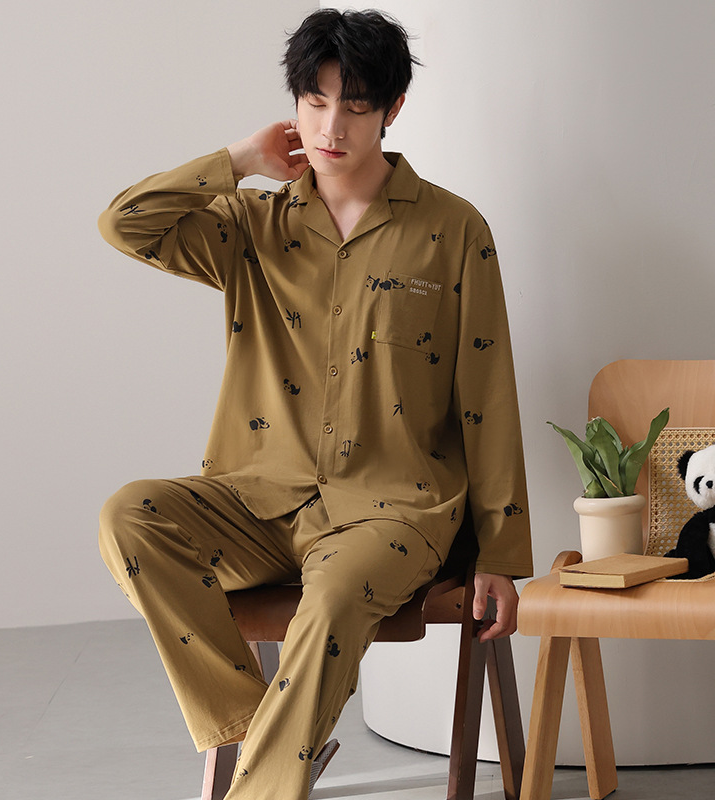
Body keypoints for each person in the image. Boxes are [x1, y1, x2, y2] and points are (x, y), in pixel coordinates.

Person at [97, 8, 532, 799]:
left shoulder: (453, 230)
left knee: (330, 598)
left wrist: (501, 554)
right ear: (294, 104)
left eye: (356, 106)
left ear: (393, 109)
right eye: (315, 101)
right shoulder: (252, 227)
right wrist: (238, 161)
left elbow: (487, 394)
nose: (332, 127)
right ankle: (266, 734)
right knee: (131, 517)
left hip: (394, 511)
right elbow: (125, 224)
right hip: (259, 499)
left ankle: (261, 785)